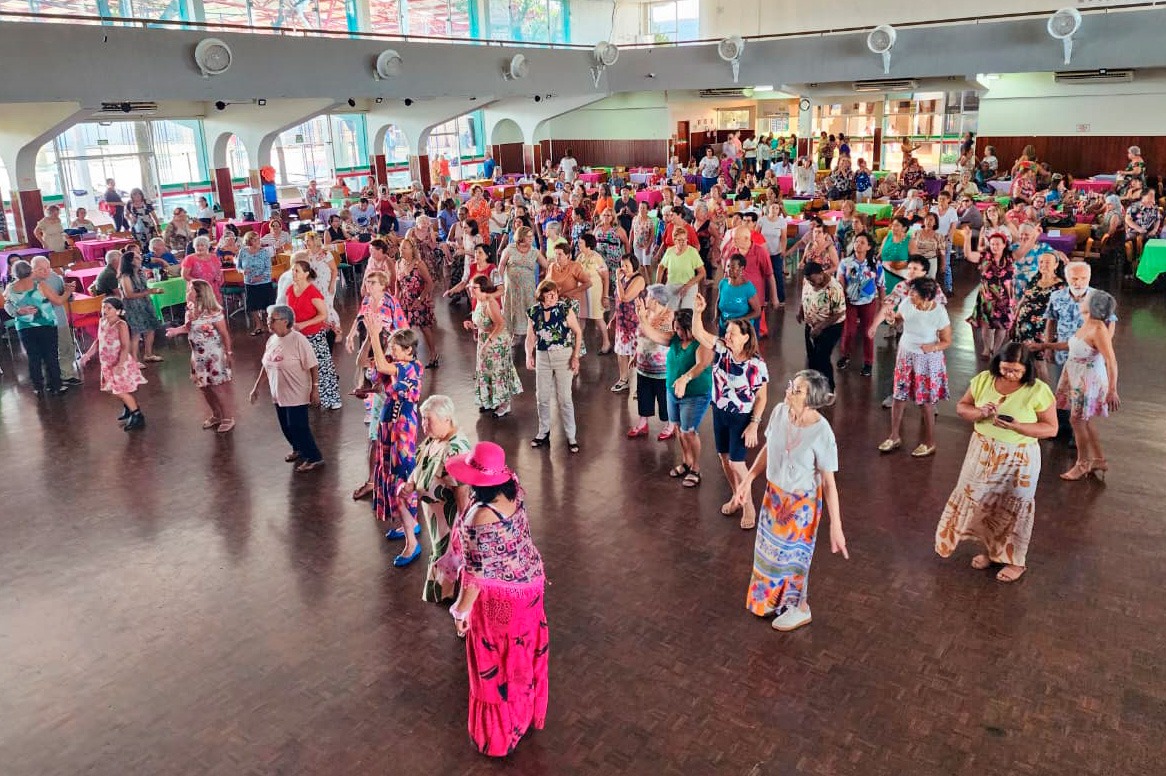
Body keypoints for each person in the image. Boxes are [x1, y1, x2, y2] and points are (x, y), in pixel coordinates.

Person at [443, 443, 548, 757]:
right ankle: (524, 716)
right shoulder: (514, 492)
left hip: (499, 601)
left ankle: (499, 737)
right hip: (530, 588)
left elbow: (475, 575)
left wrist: (460, 610)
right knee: (522, 654)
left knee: (495, 664)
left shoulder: (479, 516)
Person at [733, 370, 847, 631]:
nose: (789, 392)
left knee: (794, 560)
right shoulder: (779, 412)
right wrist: (748, 479)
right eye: (791, 386)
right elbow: (768, 447)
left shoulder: (822, 433)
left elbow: (829, 484)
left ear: (811, 400)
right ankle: (772, 601)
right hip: (774, 497)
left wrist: (836, 526)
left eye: (797, 390)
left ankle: (801, 607)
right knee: (768, 554)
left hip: (801, 505)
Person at [935, 343, 1057, 583]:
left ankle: (1015, 560)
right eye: (1005, 369)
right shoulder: (983, 380)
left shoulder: (1038, 390)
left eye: (1016, 371)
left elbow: (1051, 428)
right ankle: (991, 551)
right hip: (982, 452)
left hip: (1018, 457)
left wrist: (1018, 426)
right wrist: (980, 412)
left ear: (1027, 370)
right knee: (985, 504)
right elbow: (962, 407)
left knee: (1014, 504)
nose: (1009, 375)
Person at [691, 293, 768, 528]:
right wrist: (698, 312)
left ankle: (749, 506)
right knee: (724, 458)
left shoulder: (756, 365)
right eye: (727, 333)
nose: (728, 337)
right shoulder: (722, 349)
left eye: (733, 334)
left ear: (746, 337)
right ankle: (737, 496)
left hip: (741, 417)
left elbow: (762, 397)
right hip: (720, 413)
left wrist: (754, 423)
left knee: (737, 463)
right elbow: (699, 334)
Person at [365, 319, 425, 566]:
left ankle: (412, 542)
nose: (392, 353)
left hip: (402, 425)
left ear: (409, 350)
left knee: (401, 477)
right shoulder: (396, 365)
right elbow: (368, 366)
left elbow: (380, 363)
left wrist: (373, 332)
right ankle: (407, 524)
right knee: (392, 472)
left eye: (396, 349)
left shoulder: (412, 367)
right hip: (390, 421)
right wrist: (372, 338)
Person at [875, 277, 951, 457]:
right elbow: (899, 320)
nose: (910, 296)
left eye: (915, 294)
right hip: (905, 354)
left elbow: (947, 341)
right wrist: (892, 319)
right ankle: (894, 436)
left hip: (926, 359)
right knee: (898, 396)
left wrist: (932, 347)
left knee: (926, 402)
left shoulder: (939, 312)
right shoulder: (908, 303)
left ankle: (930, 442)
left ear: (927, 298)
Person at [1049, 290, 1120, 481]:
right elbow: (1072, 345)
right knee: (1084, 420)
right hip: (1076, 374)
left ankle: (1082, 463)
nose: (1083, 300)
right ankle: (1099, 460)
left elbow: (1111, 360)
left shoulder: (1098, 330)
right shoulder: (1087, 324)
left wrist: (1112, 390)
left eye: (1086, 300)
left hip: (1087, 379)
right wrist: (1046, 346)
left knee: (1077, 420)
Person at [639, 308, 713, 488]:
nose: (678, 333)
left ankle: (696, 468)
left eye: (682, 329)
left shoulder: (703, 342)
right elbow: (653, 334)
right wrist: (641, 316)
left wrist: (685, 379)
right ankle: (686, 461)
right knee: (679, 428)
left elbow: (701, 365)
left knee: (689, 431)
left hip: (695, 395)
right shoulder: (674, 339)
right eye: (676, 328)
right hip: (672, 392)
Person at [250, 304, 323, 470]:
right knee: (286, 426)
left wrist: (315, 388)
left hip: (296, 392)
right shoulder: (272, 340)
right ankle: (298, 448)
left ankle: (313, 457)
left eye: (272, 319)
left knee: (298, 426)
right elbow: (266, 365)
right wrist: (256, 388)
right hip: (278, 393)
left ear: (285, 321)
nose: (268, 322)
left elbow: (313, 365)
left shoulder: (299, 340)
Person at [164, 279, 235, 432]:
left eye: (190, 289)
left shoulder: (213, 312)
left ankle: (228, 417)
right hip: (197, 355)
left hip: (213, 355)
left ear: (199, 293)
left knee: (217, 387)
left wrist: (228, 353)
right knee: (204, 387)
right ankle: (216, 414)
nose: (187, 292)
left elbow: (224, 334)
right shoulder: (189, 309)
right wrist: (176, 331)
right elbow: (188, 328)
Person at [526, 280, 582, 453]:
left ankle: (571, 436)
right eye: (549, 294)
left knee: (564, 398)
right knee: (541, 396)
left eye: (555, 294)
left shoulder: (564, 309)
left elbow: (578, 332)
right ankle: (543, 432)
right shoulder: (534, 312)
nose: (552, 297)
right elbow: (531, 337)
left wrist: (575, 356)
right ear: (541, 295)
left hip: (563, 355)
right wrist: (529, 354)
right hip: (543, 356)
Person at [3, 259, 75, 396]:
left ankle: (38, 387)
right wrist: (68, 291)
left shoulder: (10, 288)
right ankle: (55, 386)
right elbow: (58, 301)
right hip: (46, 324)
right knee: (50, 355)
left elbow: (7, 304)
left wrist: (17, 311)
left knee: (33, 357)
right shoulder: (39, 285)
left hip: (24, 327)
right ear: (31, 271)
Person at [285, 260, 342, 410]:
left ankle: (332, 397)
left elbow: (323, 314)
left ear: (306, 274)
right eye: (292, 270)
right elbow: (289, 310)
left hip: (314, 334)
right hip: (297, 335)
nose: (293, 273)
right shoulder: (290, 289)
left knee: (322, 365)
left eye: (297, 270)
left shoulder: (312, 292)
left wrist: (305, 324)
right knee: (303, 367)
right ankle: (310, 396)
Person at [466, 275, 522, 418]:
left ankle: (505, 403)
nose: (471, 289)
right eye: (471, 286)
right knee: (487, 371)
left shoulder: (490, 303)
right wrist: (472, 325)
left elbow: (500, 324)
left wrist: (488, 342)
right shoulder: (478, 300)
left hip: (496, 342)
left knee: (498, 371)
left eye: (474, 287)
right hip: (484, 339)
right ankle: (492, 400)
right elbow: (483, 322)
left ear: (483, 288)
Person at [1010, 251, 1065, 384]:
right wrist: (1014, 318)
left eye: (1047, 262)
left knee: (1040, 364)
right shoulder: (1034, 279)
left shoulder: (1060, 286)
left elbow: (1060, 313)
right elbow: (1024, 299)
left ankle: (1045, 396)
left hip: (1042, 330)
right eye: (1041, 262)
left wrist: (1051, 339)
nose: (1043, 265)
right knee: (1025, 362)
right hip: (1023, 327)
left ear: (1056, 265)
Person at [961, 227, 1015, 359]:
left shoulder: (1010, 257)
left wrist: (1033, 236)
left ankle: (996, 350)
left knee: (1002, 326)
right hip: (987, 296)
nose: (995, 246)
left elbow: (1025, 248)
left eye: (998, 244)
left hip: (1005, 296)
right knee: (986, 324)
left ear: (1004, 244)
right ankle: (986, 348)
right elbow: (968, 255)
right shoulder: (984, 257)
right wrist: (967, 238)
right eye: (992, 244)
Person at [27, 256, 81, 385]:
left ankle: (66, 374)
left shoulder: (55, 277)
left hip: (59, 318)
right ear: (32, 269)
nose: (46, 272)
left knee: (66, 347)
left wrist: (69, 291)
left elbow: (66, 297)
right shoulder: (28, 282)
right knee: (45, 353)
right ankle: (50, 378)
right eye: (41, 269)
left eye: (48, 268)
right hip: (40, 323)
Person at [836, 233, 884, 377]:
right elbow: (840, 281)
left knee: (868, 332)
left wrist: (883, 304)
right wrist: (841, 299)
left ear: (869, 247)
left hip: (868, 302)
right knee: (849, 331)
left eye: (862, 242)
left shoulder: (875, 264)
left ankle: (868, 362)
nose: (858, 244)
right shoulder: (845, 262)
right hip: (850, 302)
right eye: (856, 241)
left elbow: (881, 285)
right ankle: (845, 355)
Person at [797, 261, 846, 390]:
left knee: (822, 357)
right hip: (811, 325)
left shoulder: (834, 288)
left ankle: (829, 388)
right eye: (809, 280)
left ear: (821, 274)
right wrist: (801, 311)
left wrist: (820, 327)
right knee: (812, 356)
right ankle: (814, 386)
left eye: (813, 281)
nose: (811, 283)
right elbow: (805, 296)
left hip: (831, 326)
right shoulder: (807, 280)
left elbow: (839, 313)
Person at [396, 237, 440, 368]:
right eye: (401, 247)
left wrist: (420, 299)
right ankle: (409, 356)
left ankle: (433, 354)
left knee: (424, 327)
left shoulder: (418, 264)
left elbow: (430, 283)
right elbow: (397, 285)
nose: (401, 249)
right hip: (405, 300)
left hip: (419, 299)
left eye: (405, 247)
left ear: (412, 249)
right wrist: (395, 301)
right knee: (405, 329)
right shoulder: (398, 263)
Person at [499, 226, 547, 342]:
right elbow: (501, 265)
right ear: (521, 237)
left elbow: (546, 265)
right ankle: (511, 335)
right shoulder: (510, 249)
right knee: (512, 310)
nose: (531, 238)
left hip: (528, 289)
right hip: (512, 289)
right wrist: (500, 282)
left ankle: (533, 336)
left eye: (532, 236)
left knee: (530, 311)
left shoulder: (534, 251)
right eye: (528, 236)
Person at [117, 250, 165, 364]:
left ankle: (148, 354)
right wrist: (149, 292)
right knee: (136, 333)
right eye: (137, 258)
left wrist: (149, 291)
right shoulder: (125, 276)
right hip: (133, 306)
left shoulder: (140, 272)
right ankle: (134, 360)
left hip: (145, 303)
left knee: (150, 328)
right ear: (131, 262)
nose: (140, 260)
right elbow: (129, 294)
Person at [609, 253, 646, 393]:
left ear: (634, 265)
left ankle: (640, 383)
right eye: (622, 265)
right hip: (622, 321)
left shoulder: (639, 279)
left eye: (627, 265)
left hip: (634, 322)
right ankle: (623, 379)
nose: (623, 268)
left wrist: (617, 280)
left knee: (637, 352)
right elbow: (618, 301)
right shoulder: (623, 277)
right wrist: (614, 317)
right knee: (621, 351)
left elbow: (624, 297)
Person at [234, 231, 276, 336]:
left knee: (267, 305)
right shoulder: (243, 251)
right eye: (255, 239)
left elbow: (269, 269)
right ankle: (258, 325)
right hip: (250, 283)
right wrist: (242, 271)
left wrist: (260, 277)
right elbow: (238, 266)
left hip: (264, 282)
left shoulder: (264, 252)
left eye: (258, 238)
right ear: (249, 241)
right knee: (252, 306)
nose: (258, 241)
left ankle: (269, 325)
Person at [656, 228, 705, 310]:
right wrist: (658, 285)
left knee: (685, 313)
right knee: (668, 313)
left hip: (689, 285)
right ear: (674, 241)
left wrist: (687, 286)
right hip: (672, 285)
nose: (683, 243)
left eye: (685, 240)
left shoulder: (692, 252)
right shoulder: (669, 252)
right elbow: (661, 267)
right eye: (680, 240)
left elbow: (702, 272)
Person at [716, 254, 760, 334]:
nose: (729, 269)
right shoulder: (723, 283)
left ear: (741, 268)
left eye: (733, 267)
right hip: (724, 327)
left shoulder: (748, 287)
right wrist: (716, 317)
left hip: (740, 330)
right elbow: (718, 302)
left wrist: (738, 321)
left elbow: (757, 311)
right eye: (728, 266)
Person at [181, 235, 225, 304]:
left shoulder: (214, 257)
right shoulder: (190, 258)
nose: (199, 247)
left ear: (207, 246)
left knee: (214, 311)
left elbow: (219, 271)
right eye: (197, 246)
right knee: (199, 311)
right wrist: (200, 283)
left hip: (213, 288)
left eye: (202, 245)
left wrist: (219, 277)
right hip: (197, 289)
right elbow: (184, 275)